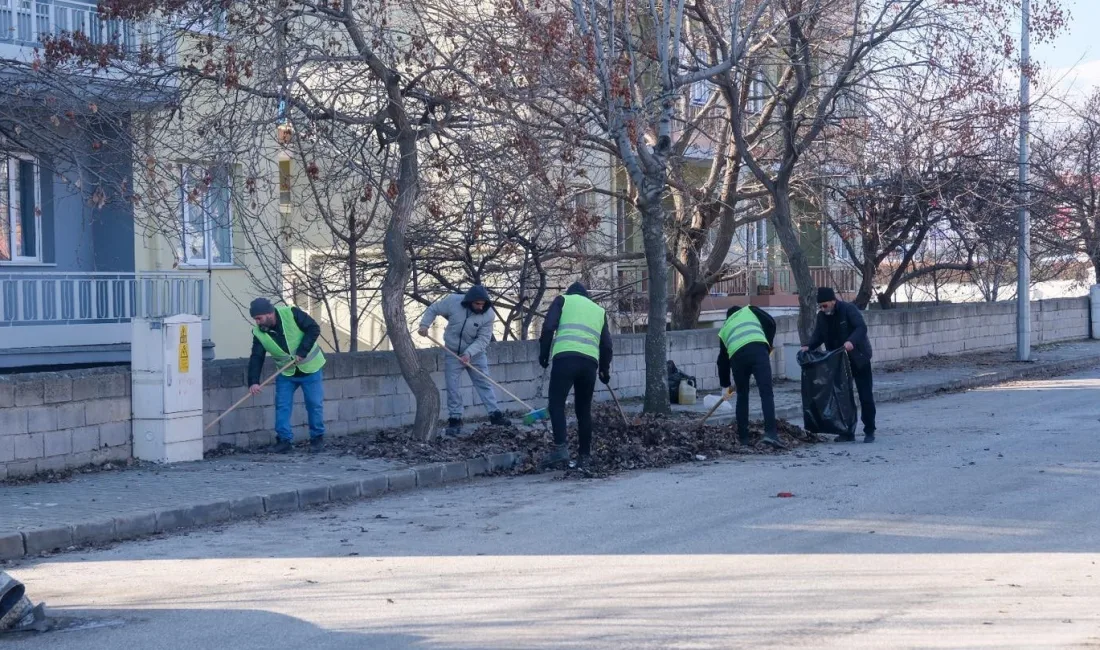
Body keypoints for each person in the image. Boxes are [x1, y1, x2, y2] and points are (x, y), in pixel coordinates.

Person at [537, 282, 613, 469]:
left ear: (570, 293)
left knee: (556, 404)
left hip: (565, 359)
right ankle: (584, 457)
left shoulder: (563, 300)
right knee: (583, 410)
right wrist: (604, 369)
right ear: (587, 296)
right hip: (589, 364)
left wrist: (544, 353)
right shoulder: (598, 310)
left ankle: (561, 448)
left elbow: (548, 328)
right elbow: (607, 345)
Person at [418, 285, 508, 436]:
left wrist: (469, 354)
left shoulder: (488, 315)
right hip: (452, 352)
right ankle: (455, 418)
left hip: (476, 354)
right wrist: (424, 325)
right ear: (469, 302)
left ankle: (495, 414)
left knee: (484, 383)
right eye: (477, 304)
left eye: (483, 304)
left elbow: (483, 339)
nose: (480, 307)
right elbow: (434, 309)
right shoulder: (453, 301)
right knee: (452, 386)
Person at [247, 298, 327, 454]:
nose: (257, 322)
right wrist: (253, 382)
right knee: (282, 406)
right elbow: (257, 357)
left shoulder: (292, 313)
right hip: (286, 372)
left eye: (259, 318)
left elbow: (313, 328)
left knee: (314, 404)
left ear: (270, 313)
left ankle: (317, 439)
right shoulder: (259, 332)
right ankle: (284, 441)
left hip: (310, 368)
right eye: (255, 319)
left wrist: (302, 351)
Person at [800, 287, 876, 442]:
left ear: (833, 301)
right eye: (820, 306)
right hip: (838, 362)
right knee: (842, 397)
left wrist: (851, 342)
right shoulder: (822, 317)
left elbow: (861, 327)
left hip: (858, 358)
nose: (822, 309)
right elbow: (819, 335)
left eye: (825, 305)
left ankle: (869, 429)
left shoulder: (848, 310)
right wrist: (809, 346)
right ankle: (847, 431)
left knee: (865, 394)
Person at [716, 304, 784, 449]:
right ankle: (771, 434)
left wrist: (725, 385)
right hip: (759, 351)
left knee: (742, 395)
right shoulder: (749, 310)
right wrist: (768, 345)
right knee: (766, 393)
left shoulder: (725, 328)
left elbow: (722, 361)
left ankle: (743, 438)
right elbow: (771, 322)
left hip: (737, 357)